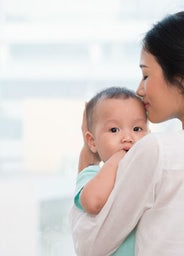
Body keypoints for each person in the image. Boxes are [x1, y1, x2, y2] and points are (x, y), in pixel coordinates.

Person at [70, 11, 184, 256]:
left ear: (180, 79)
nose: (139, 90)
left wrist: (88, 160)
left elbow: (91, 246)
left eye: (146, 75)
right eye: (114, 129)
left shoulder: (156, 151)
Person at [73, 87, 148, 255]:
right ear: (92, 142)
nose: (128, 138)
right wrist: (116, 160)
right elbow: (92, 202)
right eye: (114, 130)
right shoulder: (92, 175)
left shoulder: (148, 170)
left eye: (137, 129)